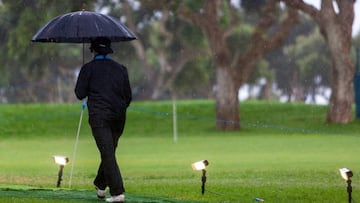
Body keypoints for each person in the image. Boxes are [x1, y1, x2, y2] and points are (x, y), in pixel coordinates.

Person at [75, 37, 132, 203]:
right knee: (109, 152)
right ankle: (100, 185)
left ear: (92, 51)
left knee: (107, 153)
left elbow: (80, 94)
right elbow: (128, 97)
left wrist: (86, 74)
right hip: (119, 116)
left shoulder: (88, 68)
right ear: (108, 51)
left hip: (99, 117)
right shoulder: (121, 69)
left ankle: (117, 193)